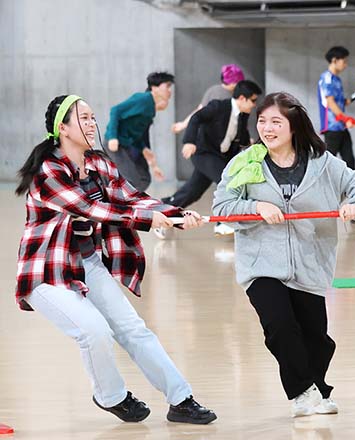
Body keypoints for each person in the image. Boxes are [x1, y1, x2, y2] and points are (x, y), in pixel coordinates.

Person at [15, 95, 217, 424]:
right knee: (94, 331)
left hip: (87, 262)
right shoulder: (47, 170)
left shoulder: (99, 163)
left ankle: (181, 400)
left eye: (93, 117)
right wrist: (147, 221)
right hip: (46, 270)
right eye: (83, 118)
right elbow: (89, 208)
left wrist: (175, 215)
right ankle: (112, 397)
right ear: (63, 128)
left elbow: (131, 197)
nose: (92, 124)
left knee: (133, 330)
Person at [213, 92, 355, 417]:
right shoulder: (246, 162)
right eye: (262, 121)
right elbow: (221, 207)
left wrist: (353, 203)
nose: (267, 128)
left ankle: (318, 389)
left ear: (294, 124)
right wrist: (255, 206)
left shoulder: (322, 162)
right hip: (261, 265)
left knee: (317, 339)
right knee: (279, 326)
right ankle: (302, 393)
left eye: (276, 121)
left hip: (310, 264)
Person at [161, 80, 262, 236]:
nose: (255, 105)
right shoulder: (218, 106)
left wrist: (250, 146)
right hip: (203, 153)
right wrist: (189, 142)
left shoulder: (243, 115)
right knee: (227, 180)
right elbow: (196, 118)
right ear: (242, 98)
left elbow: (241, 136)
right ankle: (223, 222)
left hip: (218, 156)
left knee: (193, 191)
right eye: (253, 100)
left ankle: (164, 210)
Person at [105, 71, 174, 191]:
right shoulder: (143, 99)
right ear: (155, 88)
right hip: (116, 144)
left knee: (144, 179)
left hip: (127, 145)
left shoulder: (150, 111)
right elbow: (115, 110)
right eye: (167, 86)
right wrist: (112, 137)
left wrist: (144, 150)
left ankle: (124, 199)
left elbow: (137, 135)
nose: (170, 91)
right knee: (133, 181)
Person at [317, 46, 355, 169]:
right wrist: (346, 119)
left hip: (341, 127)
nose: (345, 65)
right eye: (344, 61)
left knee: (349, 161)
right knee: (328, 164)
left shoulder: (336, 79)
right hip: (332, 128)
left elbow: (342, 102)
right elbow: (330, 103)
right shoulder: (327, 78)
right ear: (334, 60)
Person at [172, 64, 245, 134]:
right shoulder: (231, 97)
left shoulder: (212, 90)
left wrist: (183, 124)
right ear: (233, 83)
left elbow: (199, 110)